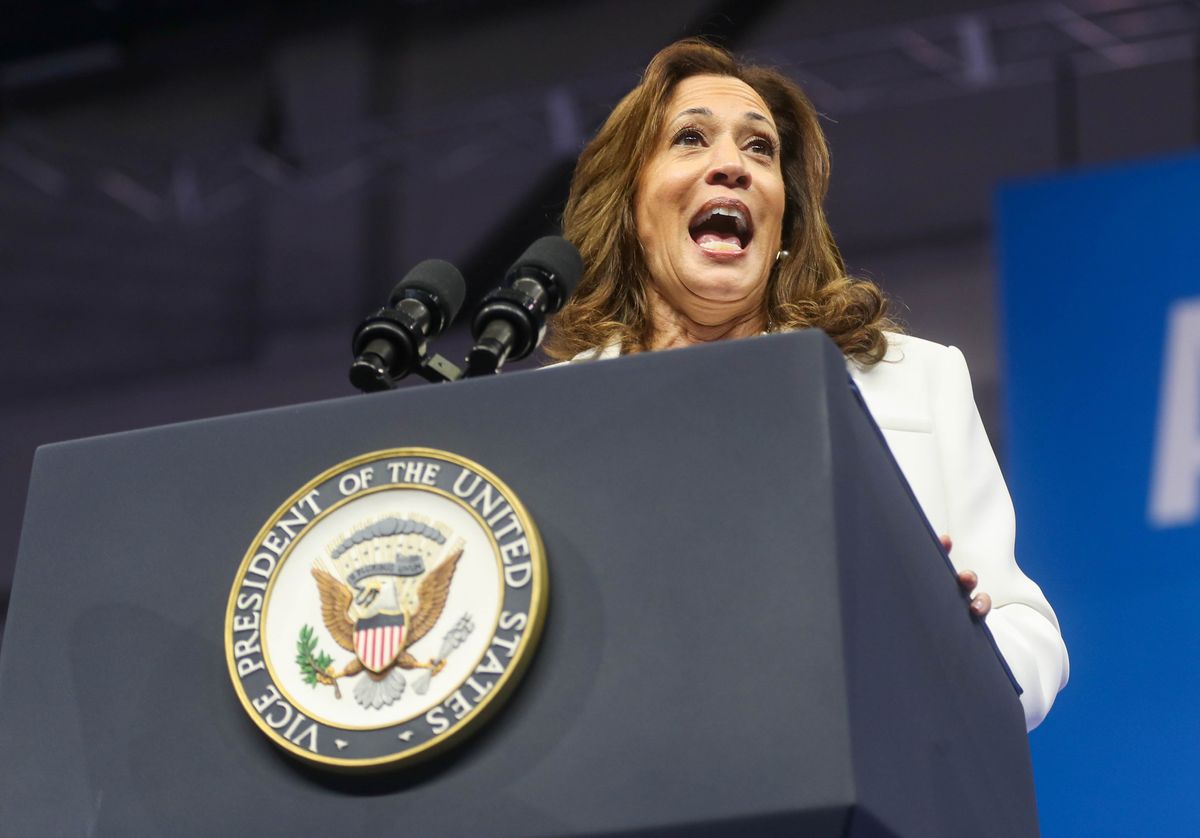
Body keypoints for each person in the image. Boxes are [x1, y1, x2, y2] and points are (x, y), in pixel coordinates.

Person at [543, 38, 1068, 730]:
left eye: (759, 150)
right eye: (691, 138)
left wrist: (952, 645)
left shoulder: (917, 384)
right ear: (632, 209)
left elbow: (1029, 639)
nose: (730, 165)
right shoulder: (554, 422)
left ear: (784, 217)